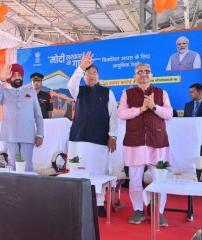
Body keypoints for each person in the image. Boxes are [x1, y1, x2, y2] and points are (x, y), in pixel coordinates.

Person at [118, 63, 173, 227]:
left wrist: (154, 107)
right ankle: (138, 209)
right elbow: (121, 113)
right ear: (135, 76)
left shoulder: (161, 93)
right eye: (139, 72)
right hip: (134, 142)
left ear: (151, 74)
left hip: (157, 142)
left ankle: (159, 212)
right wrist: (141, 109)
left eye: (146, 71)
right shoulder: (127, 93)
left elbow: (169, 114)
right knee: (135, 180)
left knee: (159, 179)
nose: (143, 74)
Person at [67, 51, 118, 217]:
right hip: (79, 138)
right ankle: (78, 202)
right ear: (84, 76)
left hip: (99, 139)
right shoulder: (78, 91)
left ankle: (99, 203)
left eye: (94, 72)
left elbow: (113, 116)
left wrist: (113, 136)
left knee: (98, 171)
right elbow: (71, 84)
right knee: (79, 170)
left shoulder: (107, 92)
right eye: (88, 72)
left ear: (98, 75)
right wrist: (81, 67)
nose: (91, 75)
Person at [0, 64, 44, 171]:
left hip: (28, 134)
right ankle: (16, 187)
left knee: (27, 165)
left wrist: (40, 134)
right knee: (15, 165)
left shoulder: (31, 92)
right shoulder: (4, 92)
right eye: (14, 75)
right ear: (9, 78)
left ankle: (28, 187)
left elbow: (38, 115)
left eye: (19, 75)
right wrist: (1, 80)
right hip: (10, 135)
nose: (17, 77)